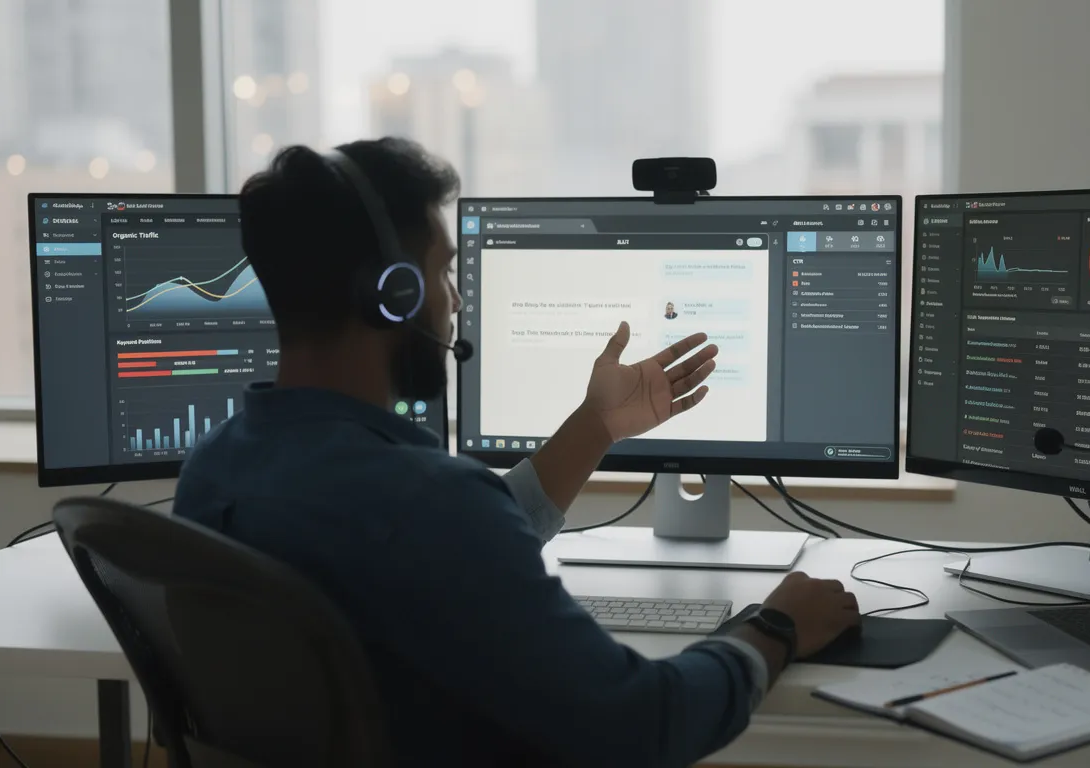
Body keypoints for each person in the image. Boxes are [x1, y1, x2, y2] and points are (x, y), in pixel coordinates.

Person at [174, 137, 860, 768]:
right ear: (394, 294)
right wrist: (775, 628)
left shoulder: (214, 471)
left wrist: (596, 425)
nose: (452, 301)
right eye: (443, 273)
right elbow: (644, 723)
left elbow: (443, 552)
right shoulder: (423, 501)